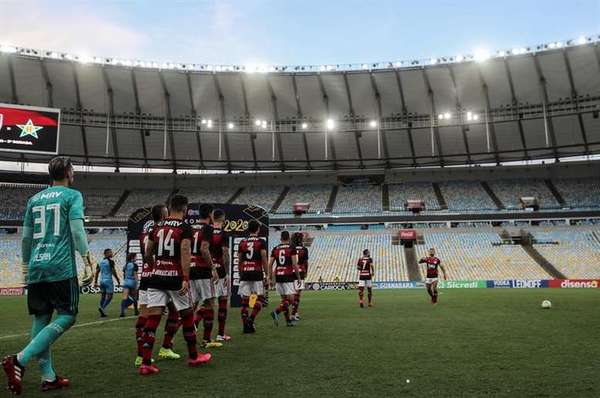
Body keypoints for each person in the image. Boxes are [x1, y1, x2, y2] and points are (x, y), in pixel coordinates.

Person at [2, 156, 95, 394]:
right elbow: (76, 230)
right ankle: (20, 360)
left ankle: (48, 377)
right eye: (72, 171)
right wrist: (87, 259)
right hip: (60, 267)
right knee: (68, 316)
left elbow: (25, 237)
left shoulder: (34, 200)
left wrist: (25, 266)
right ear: (68, 173)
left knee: (41, 319)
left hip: (36, 266)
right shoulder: (73, 196)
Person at [139, 195, 211, 375]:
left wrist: (152, 265)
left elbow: (148, 252)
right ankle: (194, 357)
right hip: (175, 278)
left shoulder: (156, 226)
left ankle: (146, 362)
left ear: (170, 207)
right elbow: (185, 251)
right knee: (186, 315)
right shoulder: (185, 227)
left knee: (153, 319)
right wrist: (186, 277)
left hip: (156, 276)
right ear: (185, 209)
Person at [134, 204, 182, 368]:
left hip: (146, 277)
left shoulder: (145, 233)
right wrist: (157, 268)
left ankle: (141, 356)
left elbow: (146, 254)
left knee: (144, 317)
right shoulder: (163, 230)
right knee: (175, 312)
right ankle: (166, 347)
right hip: (161, 276)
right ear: (163, 215)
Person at [189, 204, 221, 348]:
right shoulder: (208, 228)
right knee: (210, 303)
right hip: (203, 269)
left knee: (191, 305)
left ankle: (168, 342)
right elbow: (204, 248)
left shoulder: (191, 228)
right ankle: (207, 339)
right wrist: (213, 268)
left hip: (191, 268)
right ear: (210, 214)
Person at [237, 220, 268, 334]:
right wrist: (267, 274)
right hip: (256, 272)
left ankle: (246, 327)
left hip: (245, 272)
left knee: (245, 301)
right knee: (259, 298)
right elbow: (264, 258)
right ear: (258, 229)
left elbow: (239, 260)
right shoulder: (261, 242)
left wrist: (241, 274)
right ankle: (251, 319)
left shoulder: (242, 242)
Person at [270, 231, 300, 327]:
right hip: (287, 275)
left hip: (278, 275)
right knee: (291, 300)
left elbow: (270, 264)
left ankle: (288, 321)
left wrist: (270, 277)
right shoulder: (292, 248)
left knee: (284, 300)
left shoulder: (275, 249)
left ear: (281, 238)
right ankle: (276, 311)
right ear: (289, 238)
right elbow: (295, 264)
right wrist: (298, 277)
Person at [210, 208, 232, 342]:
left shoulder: (205, 231)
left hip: (208, 270)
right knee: (223, 301)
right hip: (220, 271)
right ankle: (220, 334)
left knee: (207, 302)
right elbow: (225, 253)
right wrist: (227, 272)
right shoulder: (223, 234)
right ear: (223, 219)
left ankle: (194, 324)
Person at [94, 249, 120, 317]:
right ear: (106, 254)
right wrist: (118, 279)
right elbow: (113, 272)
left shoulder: (100, 262)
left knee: (103, 296)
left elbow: (97, 272)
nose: (112, 253)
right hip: (108, 281)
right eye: (110, 252)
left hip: (102, 281)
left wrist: (95, 282)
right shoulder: (111, 262)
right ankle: (102, 308)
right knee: (110, 297)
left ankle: (102, 311)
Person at [291, 232, 308, 321]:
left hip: (291, 272)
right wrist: (306, 272)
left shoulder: (291, 248)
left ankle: (294, 312)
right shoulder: (304, 249)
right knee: (297, 295)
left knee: (292, 294)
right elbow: (305, 262)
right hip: (300, 271)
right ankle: (294, 313)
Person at [120, 253, 139, 317]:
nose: (136, 258)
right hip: (132, 282)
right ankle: (136, 311)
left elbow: (124, 274)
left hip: (126, 282)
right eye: (136, 257)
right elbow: (135, 274)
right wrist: (137, 283)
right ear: (133, 258)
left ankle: (122, 311)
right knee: (134, 297)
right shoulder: (135, 265)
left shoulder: (126, 265)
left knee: (124, 297)